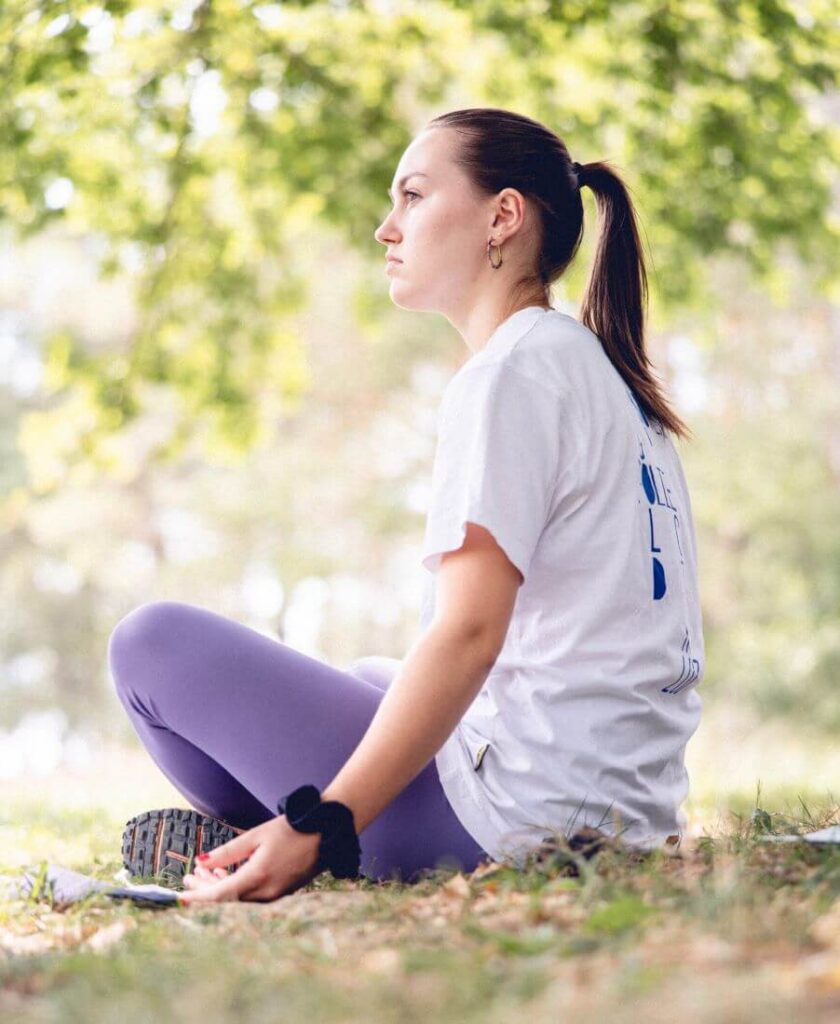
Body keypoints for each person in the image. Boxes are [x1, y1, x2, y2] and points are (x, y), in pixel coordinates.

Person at [108, 106, 703, 905]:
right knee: (369, 676)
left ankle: (299, 842)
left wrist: (328, 818)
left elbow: (469, 633)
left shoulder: (511, 375)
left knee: (151, 647)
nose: (387, 229)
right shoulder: (606, 377)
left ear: (503, 216)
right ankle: (275, 837)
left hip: (515, 825)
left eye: (414, 197)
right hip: (616, 807)